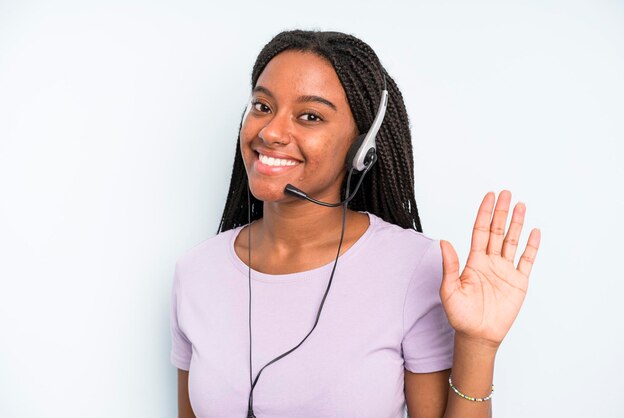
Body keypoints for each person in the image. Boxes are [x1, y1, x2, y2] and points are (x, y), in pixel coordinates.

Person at [170, 30, 541, 418]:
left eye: (309, 116)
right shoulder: (197, 271)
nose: (271, 132)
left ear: (362, 146)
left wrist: (478, 346)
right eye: (262, 106)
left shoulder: (412, 267)